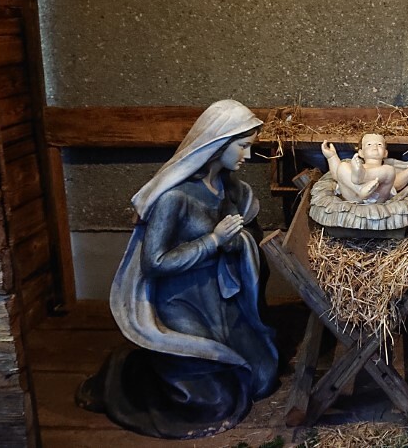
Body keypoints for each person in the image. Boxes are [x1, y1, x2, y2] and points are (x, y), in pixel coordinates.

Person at [75, 100, 279, 439]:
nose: (247, 155)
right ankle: (128, 373)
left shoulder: (231, 189)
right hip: (181, 302)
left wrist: (239, 242)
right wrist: (213, 241)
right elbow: (154, 263)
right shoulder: (174, 198)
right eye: (242, 146)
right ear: (218, 144)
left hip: (218, 300)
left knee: (262, 377)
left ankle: (170, 364)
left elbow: (245, 237)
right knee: (218, 401)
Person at [321, 133, 408, 203]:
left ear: (385, 153)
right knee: (342, 166)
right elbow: (337, 176)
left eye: (379, 144)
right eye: (369, 144)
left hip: (377, 198)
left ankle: (363, 176)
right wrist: (332, 157)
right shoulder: (356, 166)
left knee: (390, 170)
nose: (375, 147)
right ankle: (360, 188)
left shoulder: (384, 168)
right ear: (361, 152)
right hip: (353, 196)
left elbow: (396, 184)